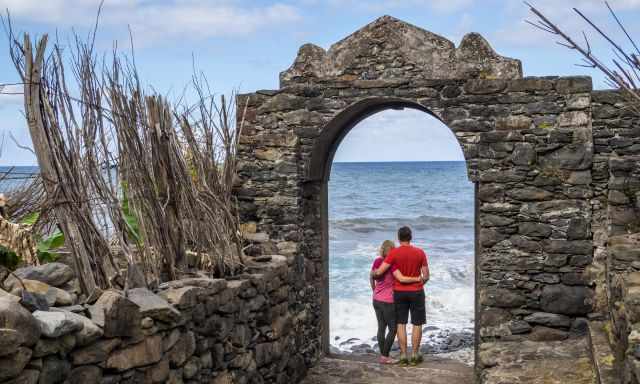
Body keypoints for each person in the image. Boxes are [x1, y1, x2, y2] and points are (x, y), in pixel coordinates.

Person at [372, 226, 429, 366]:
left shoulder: (394, 253)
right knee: (417, 323)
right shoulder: (420, 252)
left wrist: (373, 274)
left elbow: (379, 272)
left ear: (398, 238)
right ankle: (415, 355)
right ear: (411, 237)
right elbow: (426, 275)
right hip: (416, 291)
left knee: (400, 323)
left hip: (399, 292)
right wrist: (419, 282)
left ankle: (403, 355)